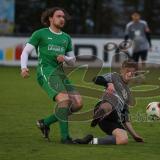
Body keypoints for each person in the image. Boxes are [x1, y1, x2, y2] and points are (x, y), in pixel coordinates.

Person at [20, 7, 93, 144]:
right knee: (64, 100)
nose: (62, 19)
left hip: (60, 74)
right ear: (50, 18)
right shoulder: (40, 34)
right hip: (46, 71)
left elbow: (73, 61)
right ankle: (65, 138)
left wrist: (64, 57)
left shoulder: (66, 38)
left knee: (78, 103)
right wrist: (24, 68)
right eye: (59, 16)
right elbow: (25, 52)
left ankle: (45, 123)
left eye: (63, 17)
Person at [90, 60, 144, 145]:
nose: (130, 74)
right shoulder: (114, 76)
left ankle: (91, 141)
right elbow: (95, 79)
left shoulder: (128, 93)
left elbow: (125, 117)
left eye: (132, 73)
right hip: (104, 106)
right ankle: (100, 113)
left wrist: (135, 135)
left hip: (111, 120)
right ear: (121, 70)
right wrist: (108, 83)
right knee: (112, 101)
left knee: (123, 139)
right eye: (127, 71)